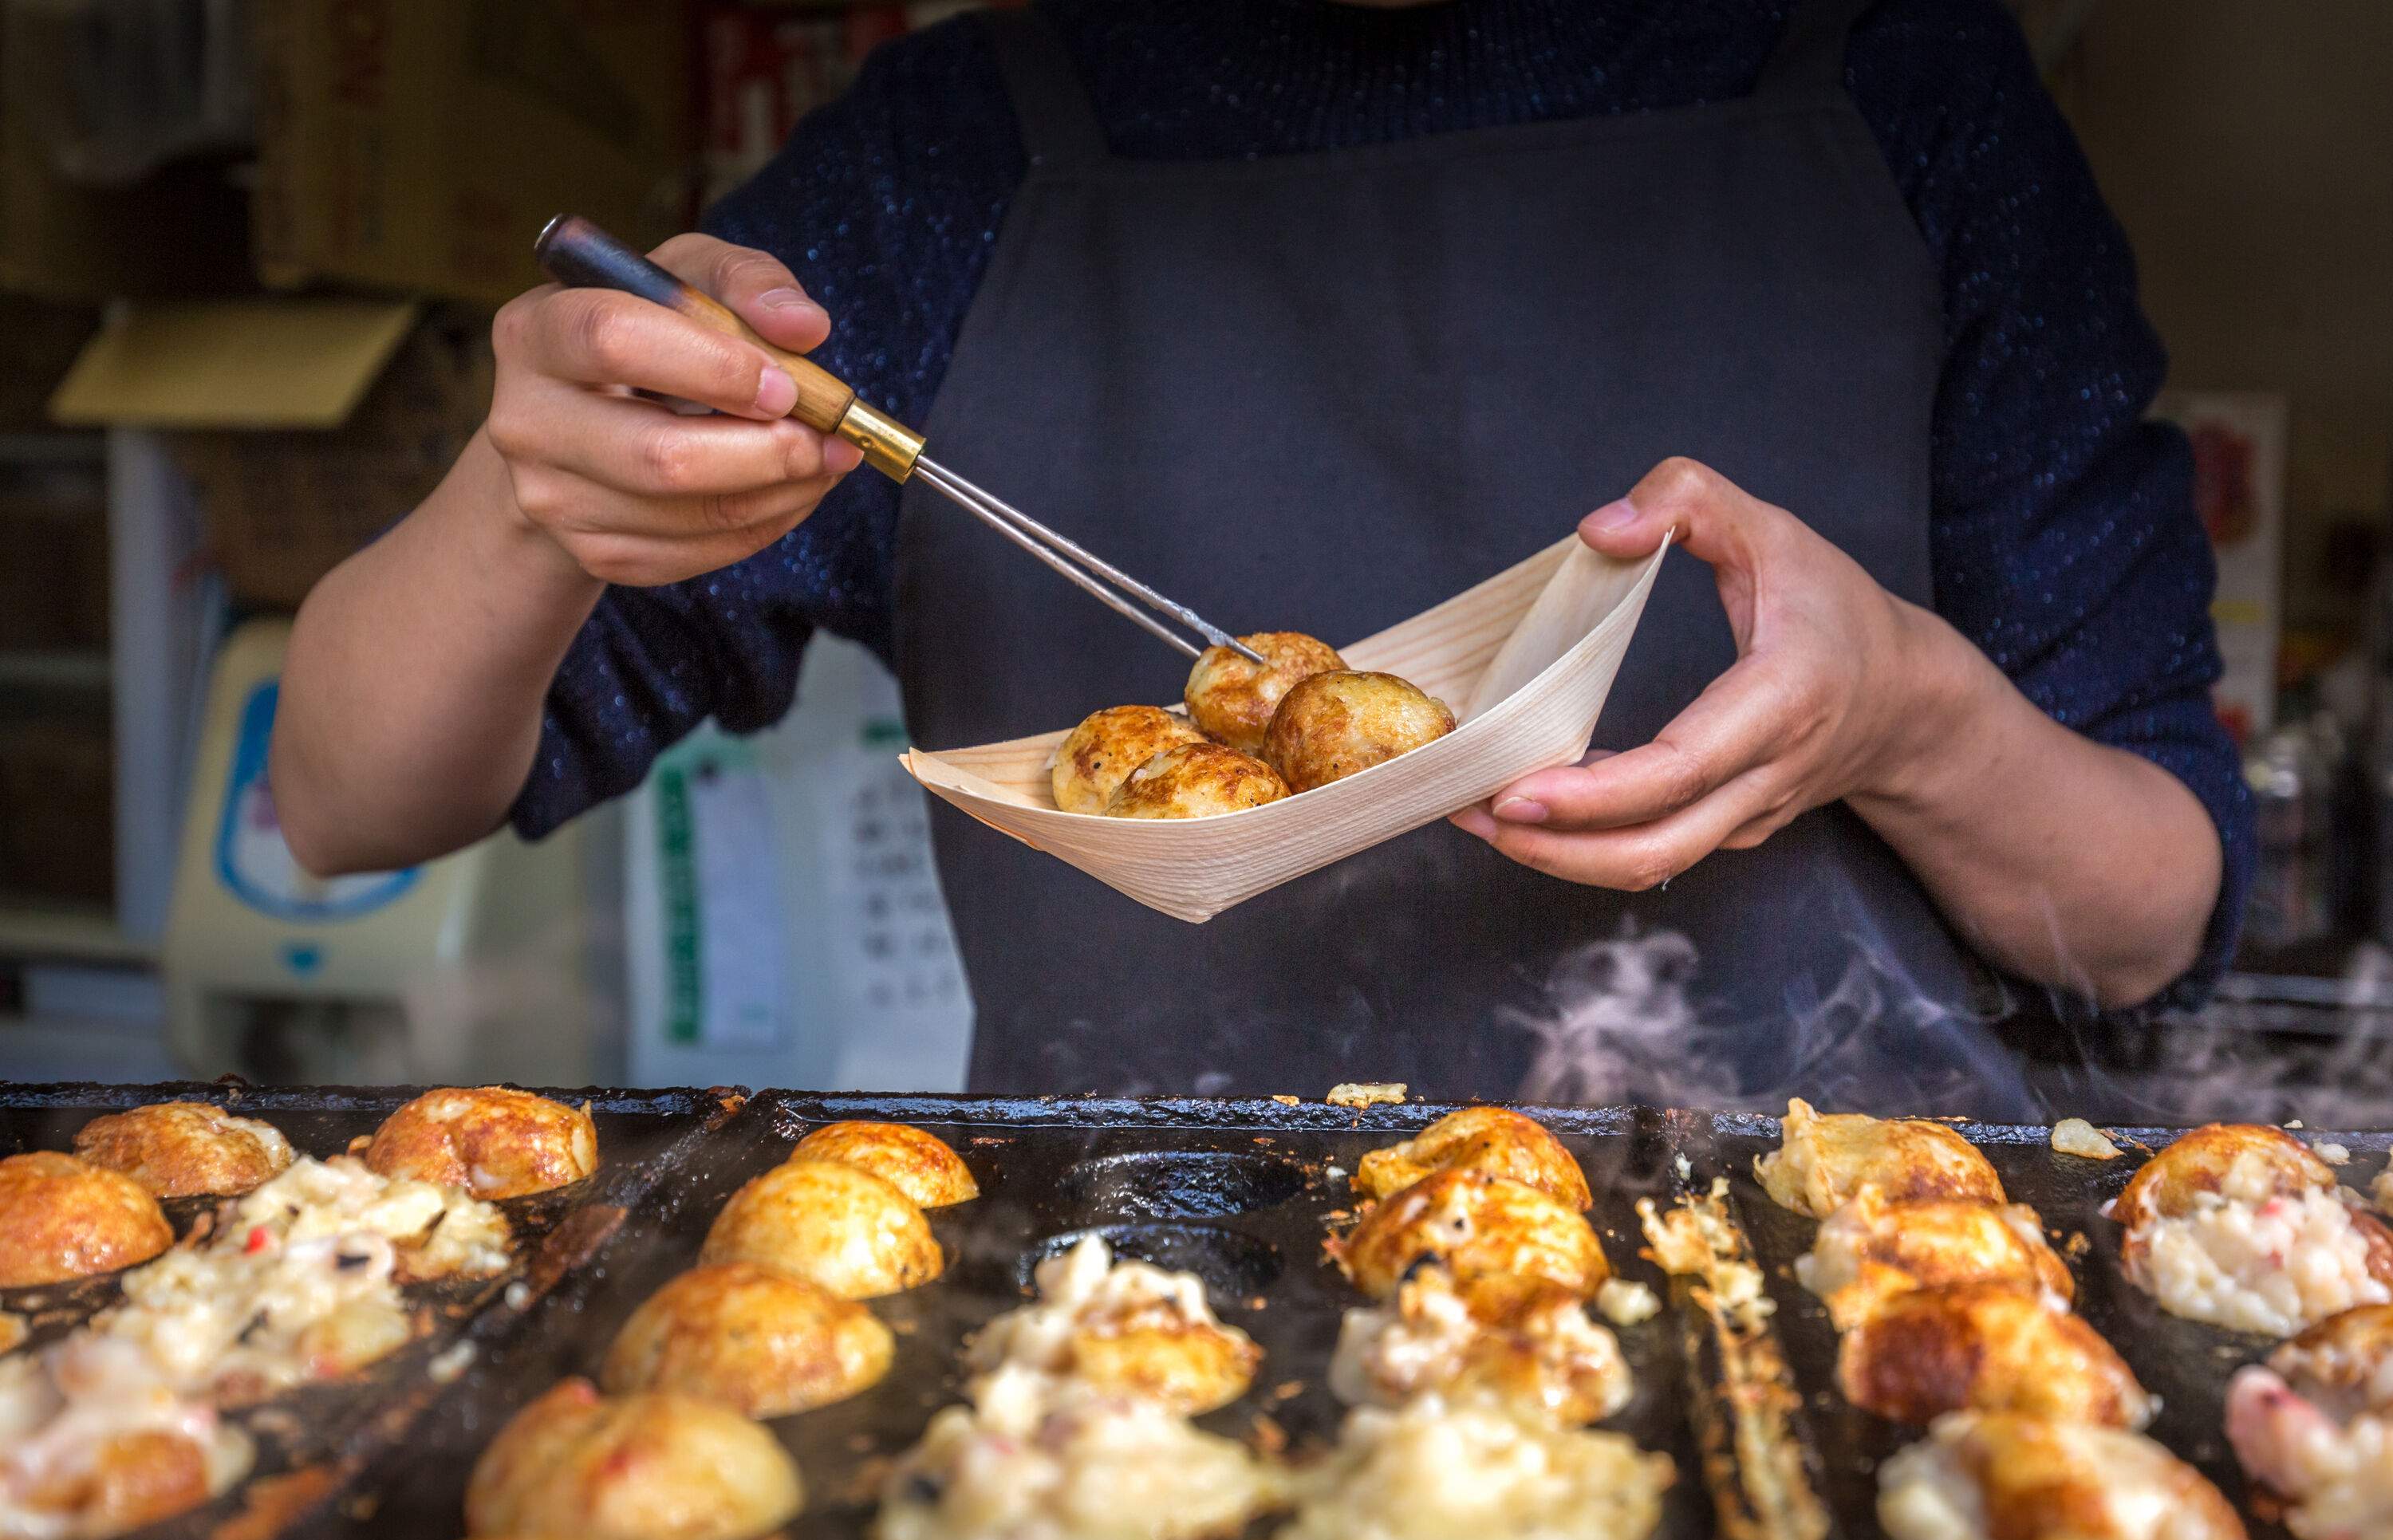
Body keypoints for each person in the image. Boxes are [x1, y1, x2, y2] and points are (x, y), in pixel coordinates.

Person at [272, 0, 2251, 1116]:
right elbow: (343, 800)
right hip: (1147, 1325)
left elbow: (2157, 911)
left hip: (1840, 1306)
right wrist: (527, 498)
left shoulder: (1904, 92)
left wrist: (1907, 719)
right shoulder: (953, 159)